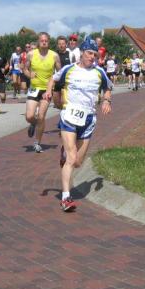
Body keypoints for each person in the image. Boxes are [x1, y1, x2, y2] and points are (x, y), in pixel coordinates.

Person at [46, 36, 113, 212]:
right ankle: (66, 198)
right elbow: (53, 79)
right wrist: (48, 91)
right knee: (71, 158)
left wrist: (106, 101)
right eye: (89, 53)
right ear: (82, 53)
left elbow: (108, 88)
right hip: (69, 116)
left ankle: (65, 152)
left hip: (88, 119)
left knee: (77, 162)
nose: (92, 57)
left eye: (95, 54)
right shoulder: (69, 69)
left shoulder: (99, 72)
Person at [22, 33, 60, 153]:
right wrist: (29, 74)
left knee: (41, 116)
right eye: (42, 40)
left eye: (46, 41)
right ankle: (34, 124)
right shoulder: (31, 54)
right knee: (29, 116)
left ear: (49, 42)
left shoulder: (54, 56)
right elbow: (24, 68)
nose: (44, 42)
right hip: (34, 88)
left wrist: (52, 87)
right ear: (38, 42)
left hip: (46, 90)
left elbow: (60, 73)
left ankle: (37, 142)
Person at [53, 36, 72, 109]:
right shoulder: (54, 55)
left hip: (66, 81)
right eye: (59, 44)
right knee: (57, 103)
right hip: (57, 81)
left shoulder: (70, 54)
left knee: (64, 102)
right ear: (57, 45)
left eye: (63, 43)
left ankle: (65, 114)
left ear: (66, 44)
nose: (61, 45)